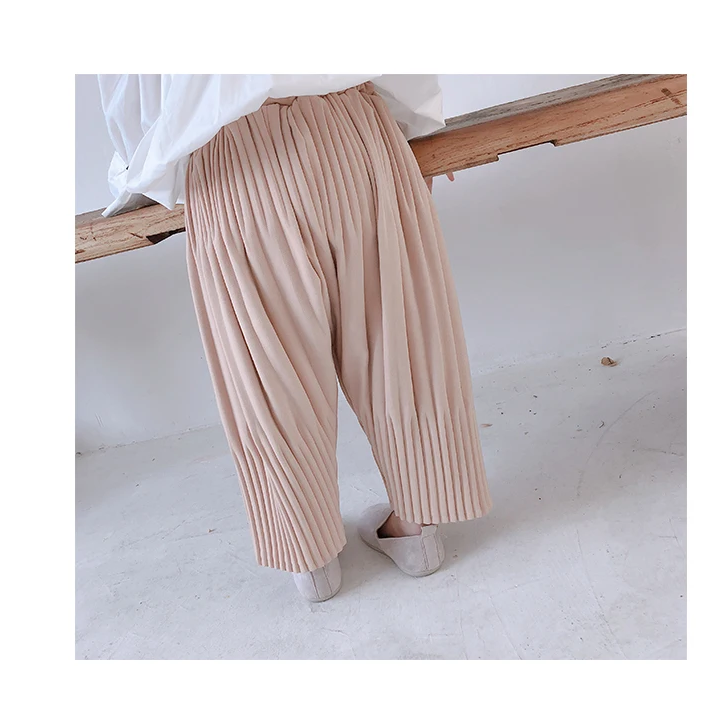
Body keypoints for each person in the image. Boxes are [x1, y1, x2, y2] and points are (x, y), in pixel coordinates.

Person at [98, 74, 492, 602]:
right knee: (395, 338)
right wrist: (415, 122)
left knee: (269, 367)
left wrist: (137, 168)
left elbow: (129, 82)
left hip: (232, 155)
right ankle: (419, 530)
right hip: (351, 127)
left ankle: (312, 560)